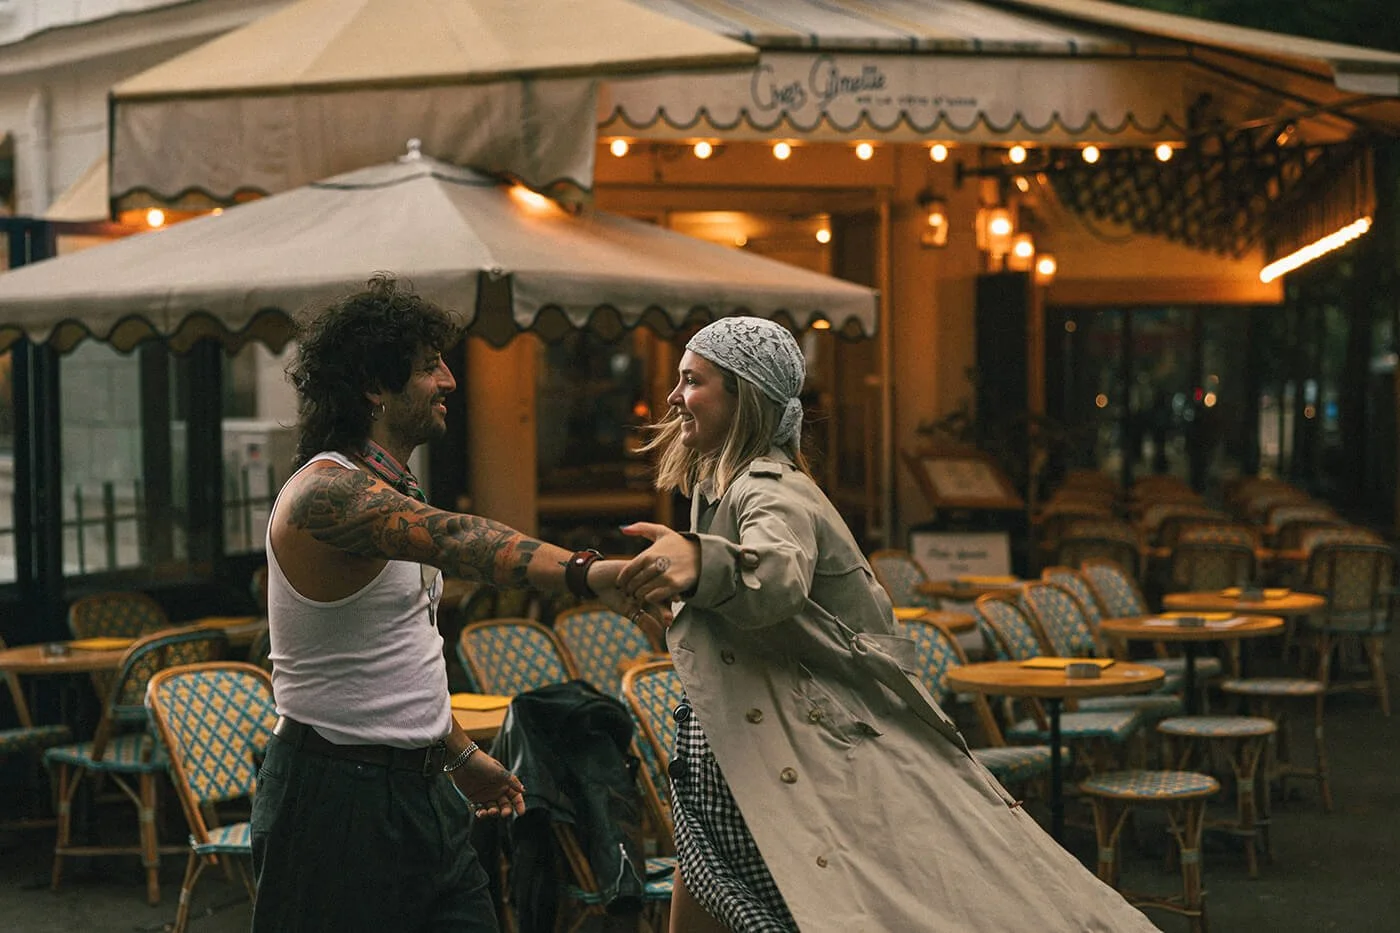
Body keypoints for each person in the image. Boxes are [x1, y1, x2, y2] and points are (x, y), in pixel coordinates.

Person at [616, 316, 1157, 932]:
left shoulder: (768, 486)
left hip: (781, 745)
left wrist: (698, 563)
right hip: (739, 736)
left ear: (743, 397)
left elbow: (776, 581)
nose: (673, 397)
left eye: (692, 381)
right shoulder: (725, 483)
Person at [251, 275, 648, 933]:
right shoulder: (326, 494)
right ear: (375, 387)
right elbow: (463, 538)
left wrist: (460, 755)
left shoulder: (384, 489)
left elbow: (394, 660)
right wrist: (592, 573)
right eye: (430, 366)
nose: (450, 381)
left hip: (420, 792)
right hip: (330, 799)